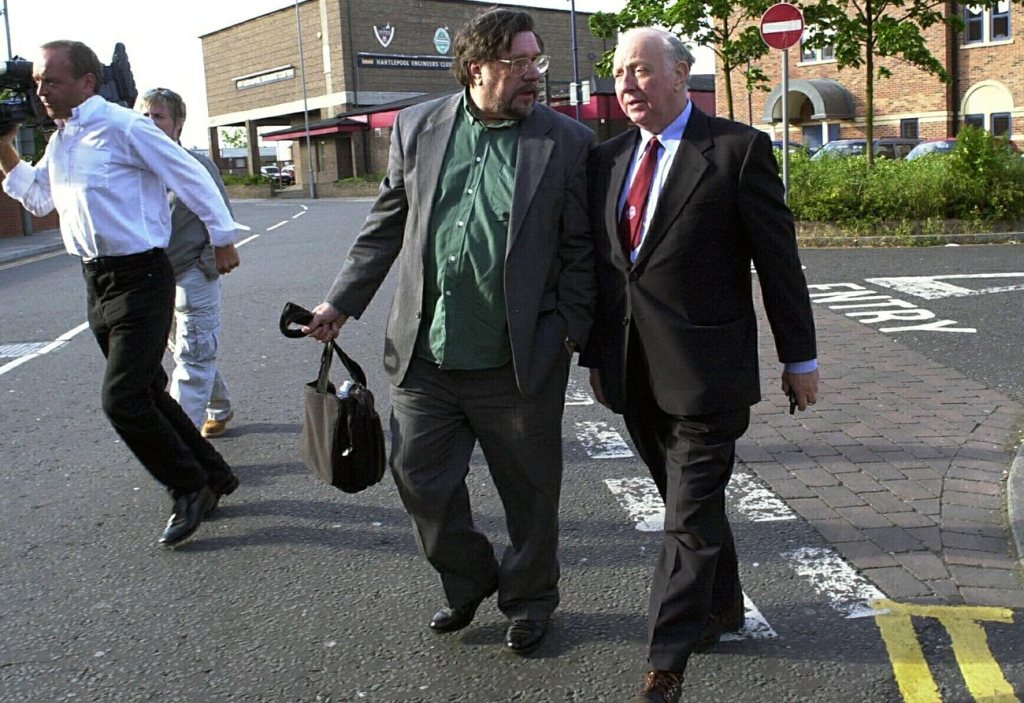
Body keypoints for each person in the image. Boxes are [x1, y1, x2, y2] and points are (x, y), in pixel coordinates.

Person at [302, 8, 594, 655]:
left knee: (531, 495)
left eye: (536, 62)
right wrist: (339, 304)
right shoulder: (418, 127)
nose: (532, 76)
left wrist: (568, 333)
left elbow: (582, 253)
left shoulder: (567, 143)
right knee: (417, 477)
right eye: (517, 64)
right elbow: (384, 227)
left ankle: (529, 598)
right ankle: (468, 577)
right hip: (426, 355)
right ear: (474, 68)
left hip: (516, 360)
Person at [579, 28, 819, 702]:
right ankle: (723, 604)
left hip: (709, 376)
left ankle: (666, 659)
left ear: (683, 74)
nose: (627, 85)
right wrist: (595, 353)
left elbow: (779, 266)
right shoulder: (607, 159)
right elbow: (605, 273)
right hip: (633, 373)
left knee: (685, 517)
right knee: (690, 502)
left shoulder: (737, 153)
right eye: (621, 73)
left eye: (643, 71)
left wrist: (799, 357)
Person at [0, 40, 243, 547]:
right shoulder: (63, 138)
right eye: (39, 82)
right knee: (148, 389)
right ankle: (214, 475)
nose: (41, 90)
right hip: (97, 280)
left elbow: (189, 173)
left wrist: (221, 237)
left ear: (87, 82)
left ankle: (188, 486)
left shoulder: (123, 126)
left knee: (123, 399)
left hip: (143, 277)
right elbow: (41, 196)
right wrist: (4, 146)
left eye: (52, 81)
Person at [138, 87, 236, 439]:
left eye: (159, 116)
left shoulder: (196, 164)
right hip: (152, 279)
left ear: (178, 124)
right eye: (145, 116)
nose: (150, 123)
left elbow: (223, 217)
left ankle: (183, 447)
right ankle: (221, 407)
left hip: (194, 273)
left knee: (192, 356)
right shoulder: (134, 169)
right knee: (187, 351)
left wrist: (208, 261)